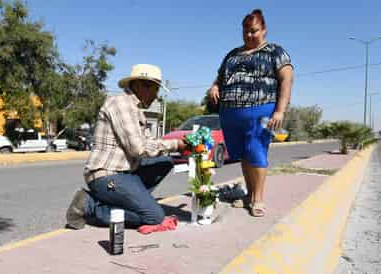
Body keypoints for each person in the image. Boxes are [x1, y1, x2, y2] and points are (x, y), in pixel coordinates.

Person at [66, 64, 187, 229]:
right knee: (154, 217)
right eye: (154, 88)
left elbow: (149, 143)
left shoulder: (135, 110)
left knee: (165, 161)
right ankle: (89, 205)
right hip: (107, 175)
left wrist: (181, 148)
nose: (156, 95)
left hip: (125, 173)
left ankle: (132, 200)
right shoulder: (120, 104)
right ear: (138, 85)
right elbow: (138, 148)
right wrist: (176, 144)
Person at [208, 9, 294, 217]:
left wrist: (280, 111)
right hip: (230, 113)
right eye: (246, 31)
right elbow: (220, 77)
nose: (249, 35)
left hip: (261, 109)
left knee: (257, 150)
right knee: (243, 153)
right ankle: (249, 194)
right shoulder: (232, 54)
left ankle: (258, 199)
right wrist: (214, 87)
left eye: (254, 31)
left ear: (264, 30)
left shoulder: (275, 51)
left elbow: (287, 79)